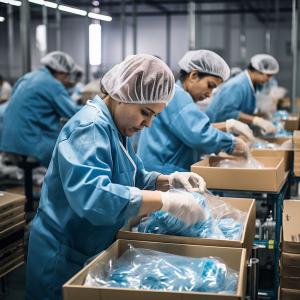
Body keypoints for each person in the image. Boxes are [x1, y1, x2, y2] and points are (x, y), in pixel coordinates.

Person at [26, 54, 208, 300]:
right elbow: (93, 196)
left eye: (154, 115)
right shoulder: (90, 127)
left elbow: (133, 175)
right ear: (123, 94)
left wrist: (171, 180)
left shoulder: (116, 127)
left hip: (88, 245)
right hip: (62, 253)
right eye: (145, 112)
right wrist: (167, 202)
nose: (148, 123)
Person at [137, 50, 251, 174]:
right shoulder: (176, 96)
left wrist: (227, 126)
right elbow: (199, 135)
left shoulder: (177, 94)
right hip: (163, 171)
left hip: (162, 167)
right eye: (210, 85)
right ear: (194, 76)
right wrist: (232, 143)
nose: (209, 94)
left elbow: (191, 129)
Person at [0, 51, 82, 167]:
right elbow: (73, 112)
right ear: (60, 71)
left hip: (8, 142)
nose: (66, 79)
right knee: (70, 152)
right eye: (66, 75)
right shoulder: (52, 84)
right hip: (30, 143)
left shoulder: (27, 77)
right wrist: (96, 105)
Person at [205, 54, 279, 135]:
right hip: (214, 131)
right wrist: (256, 120)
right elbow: (227, 112)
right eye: (268, 76)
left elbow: (242, 111)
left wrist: (262, 116)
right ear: (256, 71)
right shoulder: (238, 85)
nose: (269, 80)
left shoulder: (252, 85)